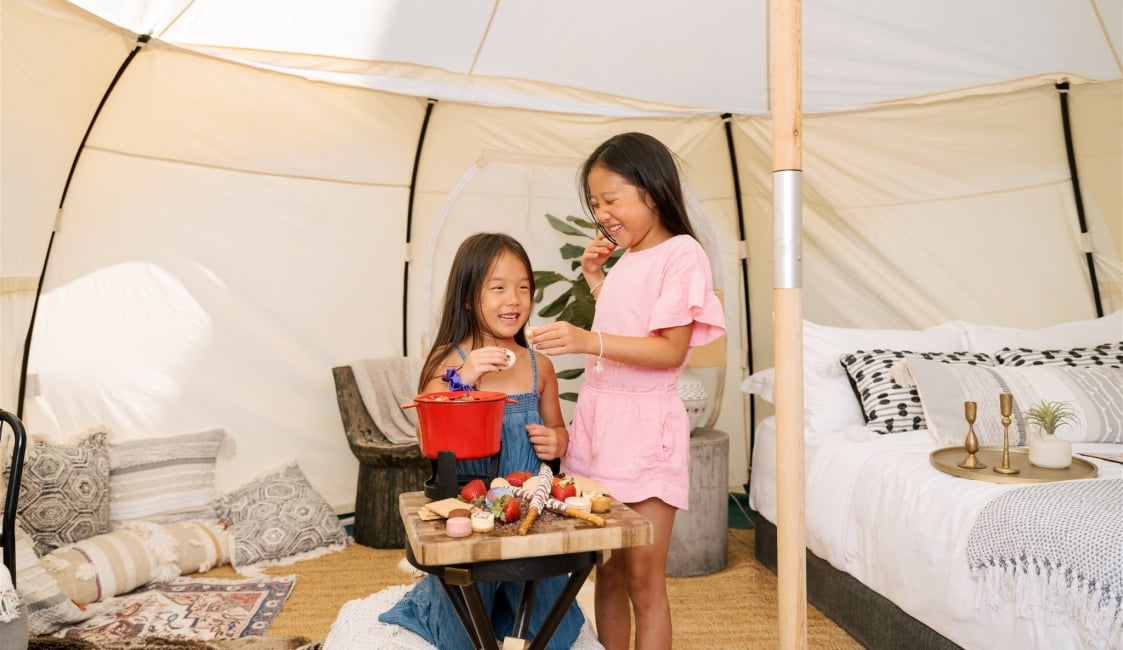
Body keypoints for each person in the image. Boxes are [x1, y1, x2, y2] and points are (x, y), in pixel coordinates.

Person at [526, 132, 725, 650]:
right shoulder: (628, 258)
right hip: (600, 428)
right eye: (595, 204)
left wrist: (585, 339)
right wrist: (595, 277)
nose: (602, 214)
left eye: (610, 199)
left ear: (652, 191)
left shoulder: (682, 254)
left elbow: (669, 350)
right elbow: (628, 320)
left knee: (643, 578)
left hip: (644, 431)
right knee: (607, 572)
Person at [378, 232, 585, 649]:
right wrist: (466, 378)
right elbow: (426, 437)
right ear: (469, 298)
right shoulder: (448, 361)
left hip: (526, 518)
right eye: (498, 287)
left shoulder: (539, 366)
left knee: (552, 632)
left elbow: (560, 430)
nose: (514, 299)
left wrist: (557, 441)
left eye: (523, 287)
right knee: (465, 634)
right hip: (468, 516)